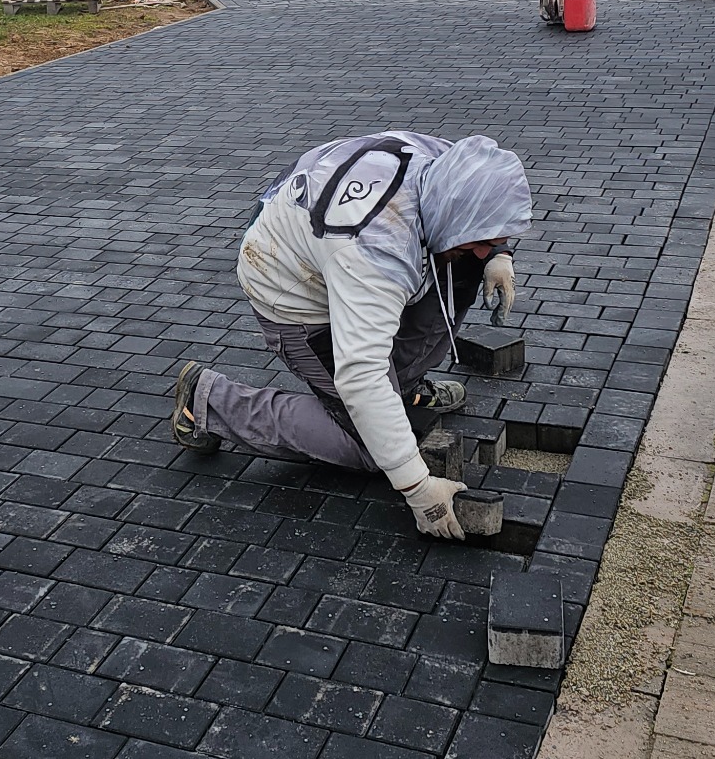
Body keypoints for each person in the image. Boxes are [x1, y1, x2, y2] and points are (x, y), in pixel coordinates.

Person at [172, 132, 531, 541]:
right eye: (482, 239)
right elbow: (361, 376)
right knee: (369, 446)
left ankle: (406, 387)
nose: (486, 248)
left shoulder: (454, 166)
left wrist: (498, 251)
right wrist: (418, 489)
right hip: (295, 296)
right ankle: (208, 401)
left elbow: (482, 214)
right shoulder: (375, 250)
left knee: (462, 265)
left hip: (336, 254)